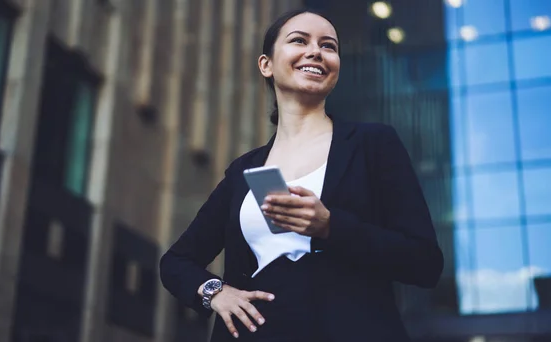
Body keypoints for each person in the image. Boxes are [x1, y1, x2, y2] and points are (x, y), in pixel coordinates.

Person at [160, 8, 444, 342]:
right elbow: (177, 261)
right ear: (266, 64)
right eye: (299, 40)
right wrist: (215, 293)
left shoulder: (372, 144)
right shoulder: (245, 171)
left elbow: (424, 262)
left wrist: (330, 227)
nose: (315, 52)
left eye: (329, 46)